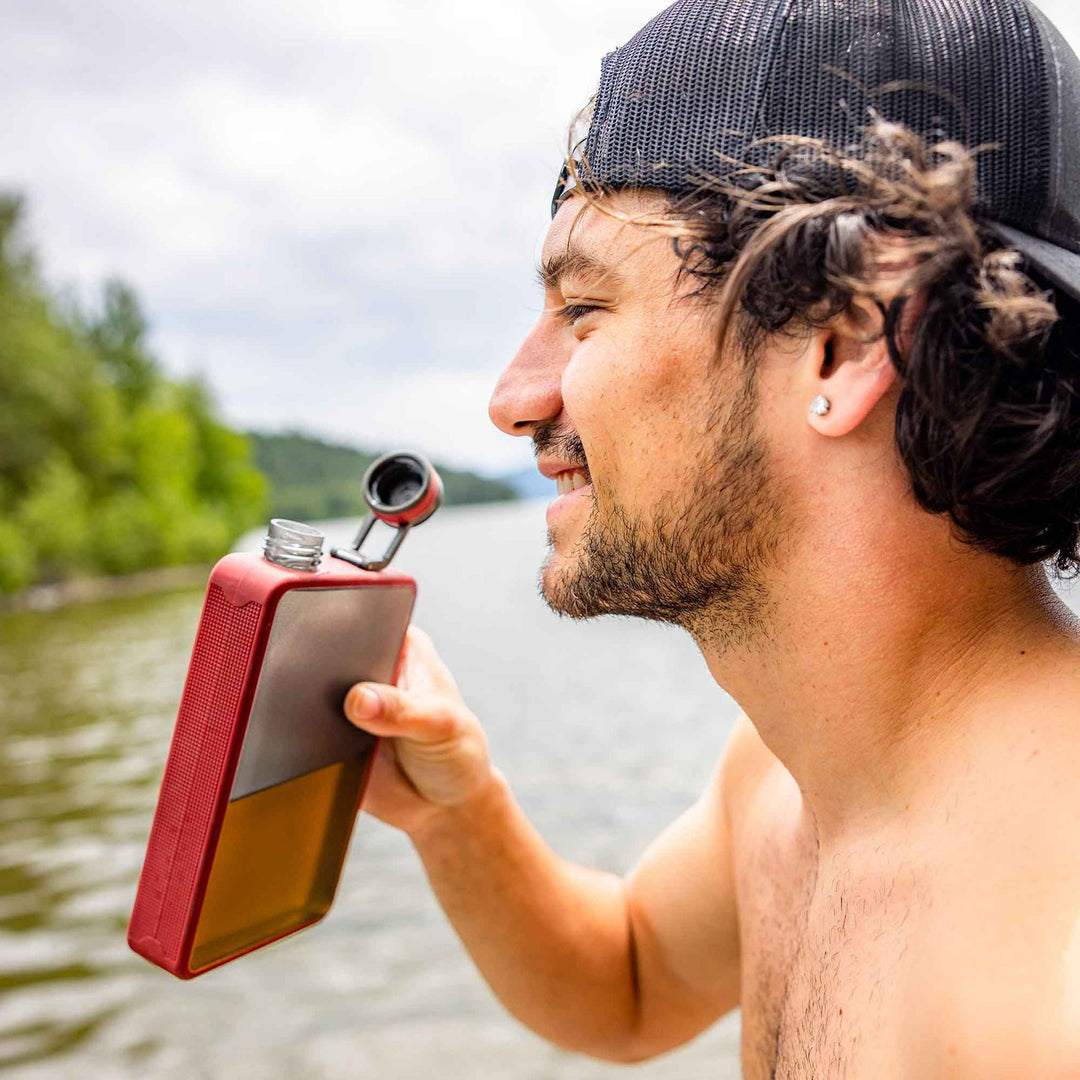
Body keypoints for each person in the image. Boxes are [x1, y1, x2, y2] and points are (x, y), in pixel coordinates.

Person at [344, 0, 1080, 1074]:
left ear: (840, 342)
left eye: (585, 310)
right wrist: (458, 814)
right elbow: (630, 984)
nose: (512, 398)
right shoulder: (785, 780)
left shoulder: (1049, 996)